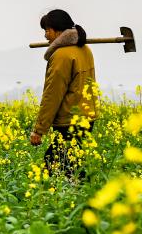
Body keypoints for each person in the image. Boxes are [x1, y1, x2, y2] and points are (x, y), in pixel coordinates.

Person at [29, 10, 98, 180]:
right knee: (75, 164)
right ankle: (85, 200)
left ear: (59, 31)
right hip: (87, 118)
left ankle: (54, 202)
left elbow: (52, 95)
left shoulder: (61, 56)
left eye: (47, 30)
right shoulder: (85, 50)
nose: (46, 36)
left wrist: (39, 129)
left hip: (69, 120)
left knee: (52, 165)